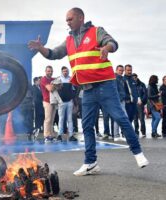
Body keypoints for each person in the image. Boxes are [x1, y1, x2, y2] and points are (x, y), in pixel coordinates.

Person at [28, 7, 148, 176]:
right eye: (67, 20)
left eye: (70, 19)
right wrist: (41, 48)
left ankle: (138, 153)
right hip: (87, 90)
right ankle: (91, 162)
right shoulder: (68, 40)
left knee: (120, 117)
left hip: (105, 85)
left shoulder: (96, 31)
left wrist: (107, 48)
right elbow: (54, 53)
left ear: (80, 18)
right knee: (87, 126)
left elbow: (113, 43)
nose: (67, 22)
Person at [57, 66, 77, 141]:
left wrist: (74, 101)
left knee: (70, 119)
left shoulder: (70, 79)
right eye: (64, 71)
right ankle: (59, 135)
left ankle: (71, 135)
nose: (65, 72)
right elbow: (55, 90)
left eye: (66, 71)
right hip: (61, 102)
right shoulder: (58, 79)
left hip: (69, 102)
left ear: (68, 71)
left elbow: (74, 90)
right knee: (61, 119)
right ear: (62, 72)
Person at [40, 66, 56, 143]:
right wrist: (56, 86)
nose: (50, 72)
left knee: (52, 119)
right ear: (45, 71)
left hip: (53, 101)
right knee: (48, 119)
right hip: (47, 101)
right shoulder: (43, 79)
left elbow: (60, 87)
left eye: (51, 71)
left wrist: (54, 85)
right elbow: (50, 89)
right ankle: (46, 136)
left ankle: (51, 135)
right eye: (48, 71)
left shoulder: (53, 79)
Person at [113, 65, 127, 141]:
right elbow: (115, 90)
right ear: (116, 70)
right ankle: (118, 135)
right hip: (118, 100)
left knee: (118, 118)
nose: (121, 72)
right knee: (124, 117)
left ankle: (117, 135)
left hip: (122, 100)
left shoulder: (122, 79)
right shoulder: (115, 78)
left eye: (122, 71)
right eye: (120, 70)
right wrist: (119, 99)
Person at [132, 73, 148, 138]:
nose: (133, 79)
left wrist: (142, 100)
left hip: (140, 103)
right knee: (135, 119)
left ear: (136, 77)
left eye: (134, 78)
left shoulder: (142, 84)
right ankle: (136, 132)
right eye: (132, 78)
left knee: (141, 119)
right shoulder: (130, 84)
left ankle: (143, 132)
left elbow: (145, 94)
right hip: (133, 104)